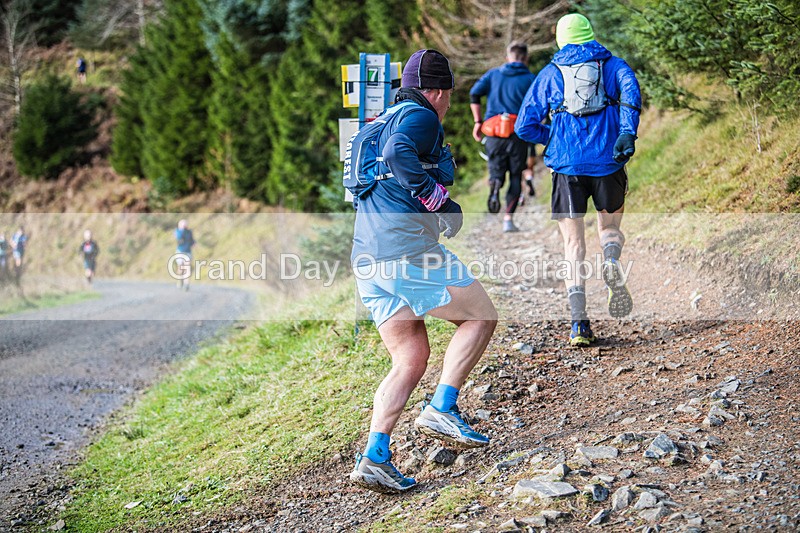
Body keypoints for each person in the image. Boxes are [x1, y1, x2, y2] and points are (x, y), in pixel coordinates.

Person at [347, 49, 498, 494]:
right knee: (480, 316)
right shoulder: (420, 116)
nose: (448, 104)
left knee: (410, 358)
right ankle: (442, 408)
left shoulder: (376, 123)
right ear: (437, 91)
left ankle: (375, 455)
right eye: (448, 94)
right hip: (407, 251)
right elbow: (398, 154)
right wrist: (438, 202)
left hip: (368, 260)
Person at [515, 13, 640, 346]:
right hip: (608, 162)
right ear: (590, 33)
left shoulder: (549, 73)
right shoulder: (613, 65)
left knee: (573, 245)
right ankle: (610, 259)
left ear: (561, 39)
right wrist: (626, 132)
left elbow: (523, 125)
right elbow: (631, 93)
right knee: (609, 228)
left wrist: (553, 137)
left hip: (567, 168)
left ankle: (579, 323)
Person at [470, 42, 536, 233]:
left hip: (494, 134)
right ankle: (508, 219)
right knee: (516, 176)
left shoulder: (493, 75)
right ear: (526, 58)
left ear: (508, 57)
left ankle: (495, 185)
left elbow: (474, 94)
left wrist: (478, 122)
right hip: (517, 134)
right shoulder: (531, 79)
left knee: (496, 170)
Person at [174, 219, 195, 291]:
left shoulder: (189, 232)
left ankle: (187, 284)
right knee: (181, 268)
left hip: (188, 252)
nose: (184, 226)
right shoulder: (177, 231)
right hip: (180, 251)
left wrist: (194, 243)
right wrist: (182, 230)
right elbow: (179, 238)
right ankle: (180, 280)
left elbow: (191, 240)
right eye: (183, 224)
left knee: (187, 267)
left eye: (185, 224)